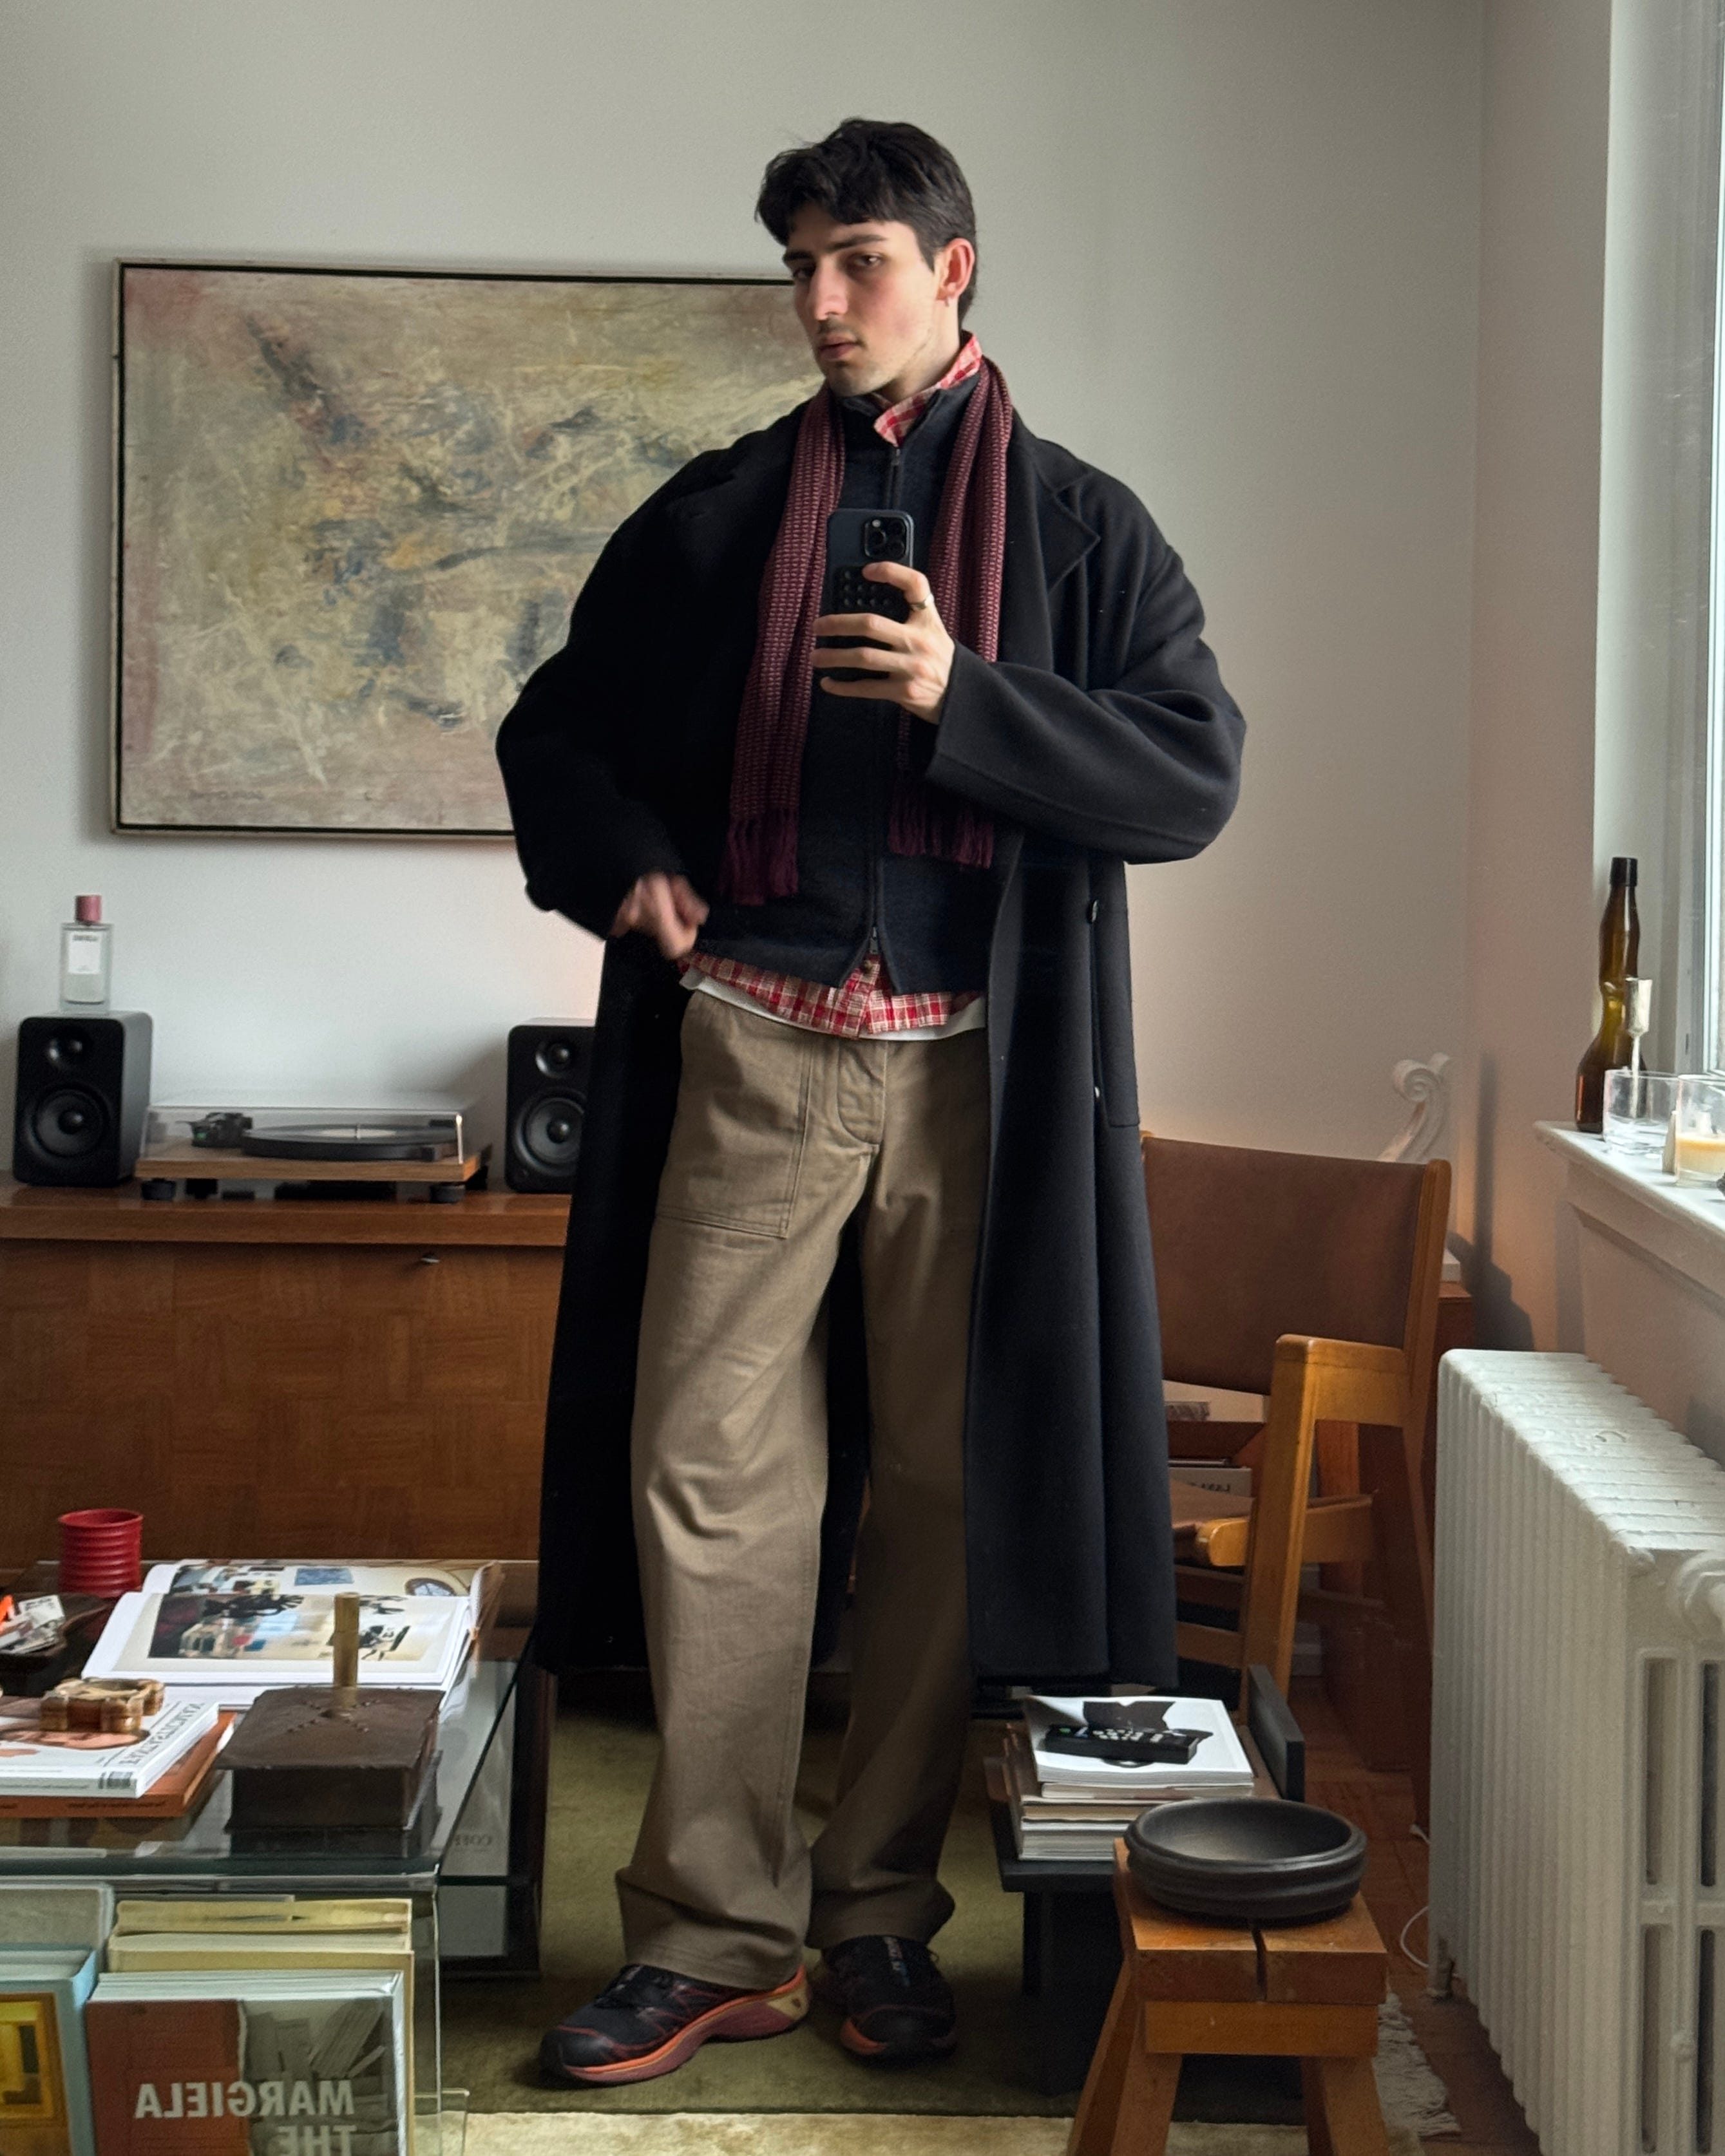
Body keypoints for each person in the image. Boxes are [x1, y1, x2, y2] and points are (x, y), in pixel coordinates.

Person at [495, 117, 1244, 2088]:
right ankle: (710, 1932)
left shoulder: (1082, 528)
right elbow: (556, 730)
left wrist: (959, 700)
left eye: (863, 264)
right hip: (753, 1044)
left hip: (982, 1070)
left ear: (953, 268)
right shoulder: (718, 516)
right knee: (705, 1473)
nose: (824, 304)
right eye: (803, 270)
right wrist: (623, 859)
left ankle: (876, 1913)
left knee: (940, 1490)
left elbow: (1191, 773)